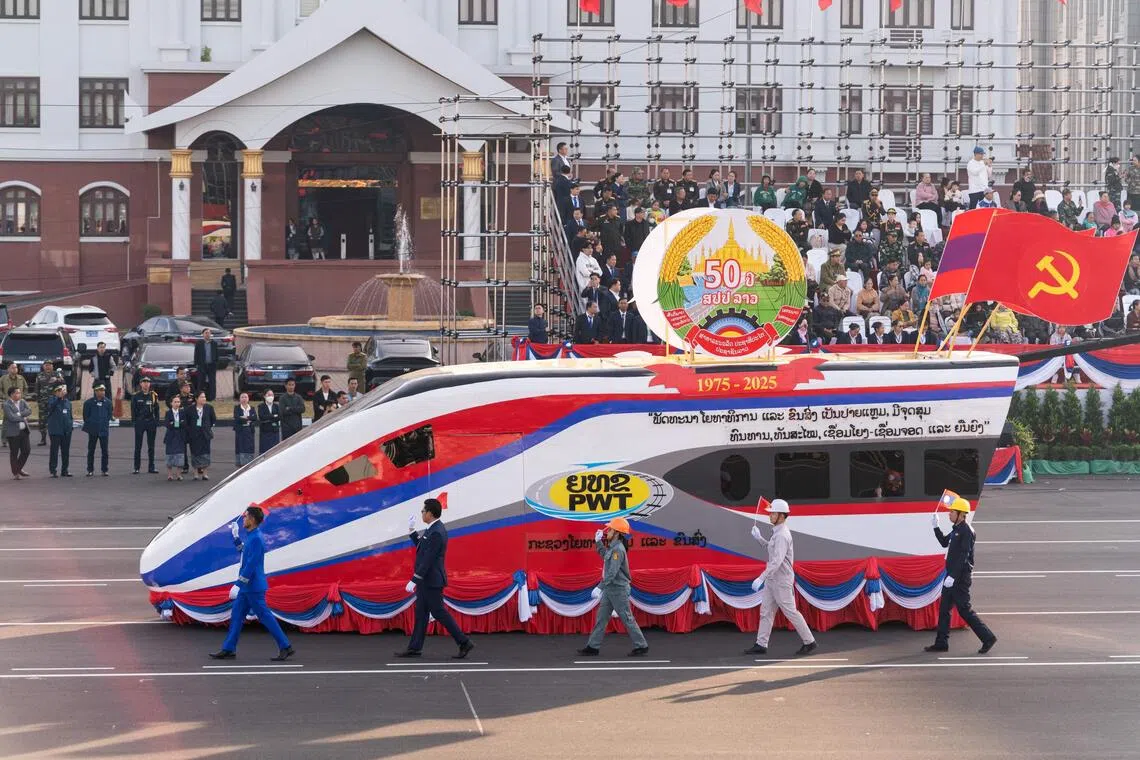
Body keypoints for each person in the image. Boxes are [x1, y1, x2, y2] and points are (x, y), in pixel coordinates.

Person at [211, 506, 295, 662]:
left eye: (245, 516)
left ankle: (285, 646)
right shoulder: (251, 536)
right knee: (236, 616)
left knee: (265, 617)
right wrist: (235, 536)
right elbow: (244, 552)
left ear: (253, 519)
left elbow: (251, 564)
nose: (243, 519)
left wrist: (238, 584)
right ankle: (228, 648)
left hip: (253, 587)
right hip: (247, 588)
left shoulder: (256, 538)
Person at [395, 498, 475, 659]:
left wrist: (414, 579)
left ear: (430, 513)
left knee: (438, 612)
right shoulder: (432, 529)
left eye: (423, 511)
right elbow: (423, 548)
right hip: (427, 580)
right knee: (421, 614)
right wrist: (412, 532)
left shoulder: (437, 531)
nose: (422, 513)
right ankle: (414, 648)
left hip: (431, 581)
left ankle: (464, 642)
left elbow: (428, 559)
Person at [745, 499, 817, 656]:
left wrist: (761, 578)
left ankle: (809, 641)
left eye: (773, 513)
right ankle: (761, 644)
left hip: (781, 580)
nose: (770, 516)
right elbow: (771, 550)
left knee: (790, 611)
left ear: (782, 516)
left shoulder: (782, 535)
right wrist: (759, 538)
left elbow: (776, 561)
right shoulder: (776, 532)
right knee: (766, 612)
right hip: (773, 579)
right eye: (771, 513)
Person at [925, 496, 997, 654]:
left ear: (961, 514)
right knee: (944, 609)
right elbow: (945, 542)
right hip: (950, 576)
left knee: (964, 610)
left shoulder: (967, 531)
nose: (949, 514)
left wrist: (953, 576)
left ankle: (988, 638)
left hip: (959, 578)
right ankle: (941, 642)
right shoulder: (956, 529)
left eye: (952, 511)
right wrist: (936, 527)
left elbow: (964, 555)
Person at [577, 516, 649, 657]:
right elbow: (605, 557)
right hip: (611, 588)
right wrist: (598, 543)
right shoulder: (613, 547)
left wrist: (600, 586)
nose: (607, 531)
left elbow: (612, 572)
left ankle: (641, 645)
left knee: (627, 618)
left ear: (616, 532)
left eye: (609, 529)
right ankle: (593, 646)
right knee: (601, 618)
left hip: (618, 589)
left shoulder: (618, 549)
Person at [131, 376, 160, 474]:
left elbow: (157, 410)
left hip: (151, 422)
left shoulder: (153, 395)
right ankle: (136, 467)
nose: (146, 384)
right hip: (140, 422)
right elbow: (133, 411)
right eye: (144, 382)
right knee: (138, 446)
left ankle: (151, 467)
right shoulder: (136, 396)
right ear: (140, 384)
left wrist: (156, 421)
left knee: (151, 446)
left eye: (148, 382)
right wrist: (135, 422)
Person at [82, 383, 113, 476]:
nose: (102, 392)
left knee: (105, 451)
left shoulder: (108, 402)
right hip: (93, 430)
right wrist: (92, 423)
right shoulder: (88, 403)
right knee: (91, 450)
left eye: (103, 390)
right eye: (100, 390)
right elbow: (85, 417)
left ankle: (104, 469)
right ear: (96, 391)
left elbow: (109, 415)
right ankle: (90, 470)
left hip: (103, 430)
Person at [4, 387, 32, 479]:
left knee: (26, 450)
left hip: (24, 431)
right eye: (17, 393)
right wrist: (23, 417)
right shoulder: (7, 404)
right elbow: (11, 418)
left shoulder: (23, 402)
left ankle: (18, 468)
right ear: (11, 394)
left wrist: (20, 414)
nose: (19, 395)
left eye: (19, 393)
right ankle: (16, 473)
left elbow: (29, 411)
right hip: (13, 432)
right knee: (14, 453)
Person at [188, 391, 216, 481]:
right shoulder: (190, 409)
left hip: (205, 434)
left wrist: (208, 428)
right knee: (195, 453)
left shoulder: (209, 408)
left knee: (205, 453)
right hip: (194, 435)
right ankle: (195, 473)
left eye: (204, 397)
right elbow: (188, 422)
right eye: (201, 397)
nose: (204, 399)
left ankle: (205, 473)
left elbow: (213, 419)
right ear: (196, 399)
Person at [46, 384, 73, 477]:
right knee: (54, 451)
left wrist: (70, 426)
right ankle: (53, 470)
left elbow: (70, 416)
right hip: (55, 430)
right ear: (55, 392)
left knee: (65, 451)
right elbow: (50, 407)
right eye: (59, 391)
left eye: (63, 391)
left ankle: (65, 470)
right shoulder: (51, 401)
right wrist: (58, 398)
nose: (61, 392)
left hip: (66, 431)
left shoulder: (68, 402)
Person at [34, 360, 62, 447]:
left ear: (52, 366)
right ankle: (43, 439)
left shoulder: (57, 374)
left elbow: (63, 382)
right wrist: (38, 400)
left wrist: (57, 379)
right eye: (46, 365)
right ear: (43, 366)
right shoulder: (39, 375)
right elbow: (36, 388)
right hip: (43, 401)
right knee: (42, 420)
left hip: (54, 401)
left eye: (50, 365)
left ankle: (55, 439)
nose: (48, 366)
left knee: (55, 420)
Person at [163, 395, 187, 480]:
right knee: (170, 455)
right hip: (171, 436)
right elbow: (167, 424)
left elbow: (184, 423)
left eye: (178, 402)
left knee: (180, 455)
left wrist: (175, 423)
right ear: (171, 403)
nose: (177, 404)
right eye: (175, 402)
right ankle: (170, 475)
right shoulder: (168, 413)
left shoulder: (183, 412)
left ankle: (179, 474)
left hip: (180, 436)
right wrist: (178, 423)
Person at [193, 328, 219, 401]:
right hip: (202, 365)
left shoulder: (214, 343)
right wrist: (197, 364)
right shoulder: (199, 343)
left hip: (211, 365)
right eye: (206, 333)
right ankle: (199, 397)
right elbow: (196, 354)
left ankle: (212, 397)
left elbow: (217, 354)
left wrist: (216, 363)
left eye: (209, 333)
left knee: (212, 382)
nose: (207, 334)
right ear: (203, 334)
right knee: (201, 381)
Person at [234, 391, 257, 467]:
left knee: (249, 447)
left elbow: (254, 418)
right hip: (240, 431)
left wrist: (245, 417)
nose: (244, 399)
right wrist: (249, 419)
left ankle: (249, 464)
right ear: (239, 399)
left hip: (249, 431)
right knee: (241, 447)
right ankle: (240, 464)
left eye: (245, 397)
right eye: (242, 397)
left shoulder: (252, 408)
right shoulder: (237, 408)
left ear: (248, 399)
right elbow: (237, 418)